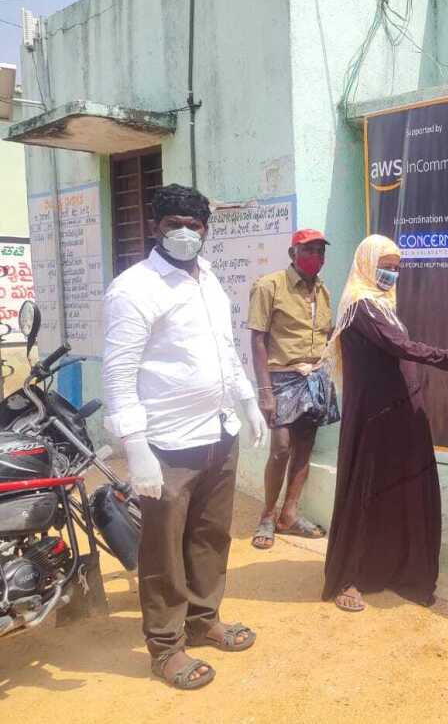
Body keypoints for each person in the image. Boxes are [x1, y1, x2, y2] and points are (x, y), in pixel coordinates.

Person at [102, 184, 268, 690]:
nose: (183, 233)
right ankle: (166, 645)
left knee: (210, 536)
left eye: (193, 226)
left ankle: (203, 619)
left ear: (205, 231)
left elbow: (226, 351)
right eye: (173, 223)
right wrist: (136, 447)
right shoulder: (134, 289)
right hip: (167, 445)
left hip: (218, 432)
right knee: (163, 548)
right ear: (155, 227)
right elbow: (118, 374)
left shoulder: (209, 280)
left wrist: (247, 402)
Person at [321, 235, 448, 612]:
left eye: (397, 267)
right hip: (375, 418)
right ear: (366, 262)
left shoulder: (383, 305)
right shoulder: (360, 306)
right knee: (368, 490)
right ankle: (351, 576)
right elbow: (403, 348)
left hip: (402, 412)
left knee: (402, 490)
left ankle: (399, 569)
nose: (391, 273)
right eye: (385, 265)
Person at [247, 227, 338, 550]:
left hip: (315, 377)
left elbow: (328, 334)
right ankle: (268, 516)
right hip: (282, 376)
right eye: (308, 250)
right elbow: (257, 338)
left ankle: (290, 513)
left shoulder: (323, 291)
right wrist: (264, 391)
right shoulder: (269, 286)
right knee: (281, 447)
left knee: (305, 446)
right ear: (292, 254)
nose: (315, 257)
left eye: (320, 251)